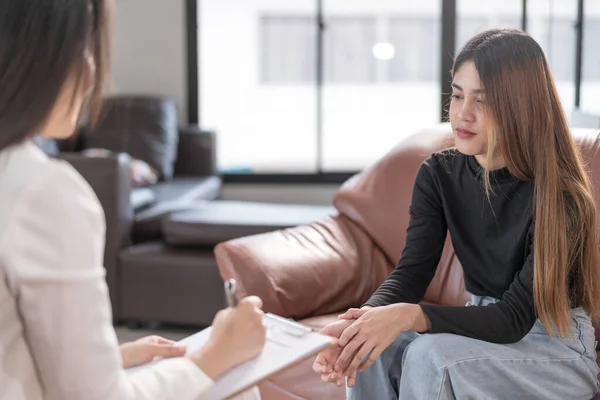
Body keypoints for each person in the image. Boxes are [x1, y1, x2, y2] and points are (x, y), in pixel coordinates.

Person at [313, 29, 600, 399]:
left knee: (431, 356)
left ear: (519, 106)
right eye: (458, 95)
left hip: (556, 349)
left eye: (482, 101)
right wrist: (357, 325)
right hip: (481, 327)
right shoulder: (439, 174)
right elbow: (411, 273)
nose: (462, 114)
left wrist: (412, 316)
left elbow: (512, 318)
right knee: (375, 345)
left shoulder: (561, 196)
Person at [0, 1, 265, 399]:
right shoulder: (43, 190)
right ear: (39, 54)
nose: (94, 73)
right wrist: (217, 353)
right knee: (239, 383)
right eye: (85, 48)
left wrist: (111, 359)